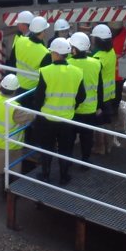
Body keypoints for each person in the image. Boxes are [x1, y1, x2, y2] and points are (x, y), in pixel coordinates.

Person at [31, 38, 85, 185]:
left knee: (47, 148)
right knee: (65, 149)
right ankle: (64, 176)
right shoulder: (77, 72)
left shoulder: (46, 71)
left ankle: (46, 175)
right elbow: (82, 96)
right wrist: (71, 106)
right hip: (67, 119)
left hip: (47, 119)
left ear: (55, 53)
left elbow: (38, 97)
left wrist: (38, 112)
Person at [0, 74, 35, 193]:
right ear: (15, 90)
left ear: (1, 86)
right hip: (6, 146)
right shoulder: (14, 108)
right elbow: (32, 116)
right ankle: (5, 193)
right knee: (8, 170)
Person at [67, 32, 103, 169]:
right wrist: (100, 106)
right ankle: (85, 161)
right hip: (90, 109)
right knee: (87, 138)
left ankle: (67, 160)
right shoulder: (96, 63)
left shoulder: (68, 64)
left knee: (69, 138)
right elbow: (99, 88)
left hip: (71, 109)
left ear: (74, 49)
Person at [90, 24, 117, 154]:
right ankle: (109, 145)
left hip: (99, 94)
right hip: (110, 93)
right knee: (107, 118)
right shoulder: (111, 52)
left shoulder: (98, 58)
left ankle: (100, 147)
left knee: (99, 121)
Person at [12, 16, 52, 94]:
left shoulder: (20, 40)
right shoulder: (45, 53)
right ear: (43, 31)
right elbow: (45, 78)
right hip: (32, 89)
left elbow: (12, 60)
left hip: (18, 84)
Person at [111, 21, 126, 113]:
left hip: (118, 74)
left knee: (116, 95)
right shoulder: (103, 32)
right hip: (110, 73)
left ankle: (114, 110)